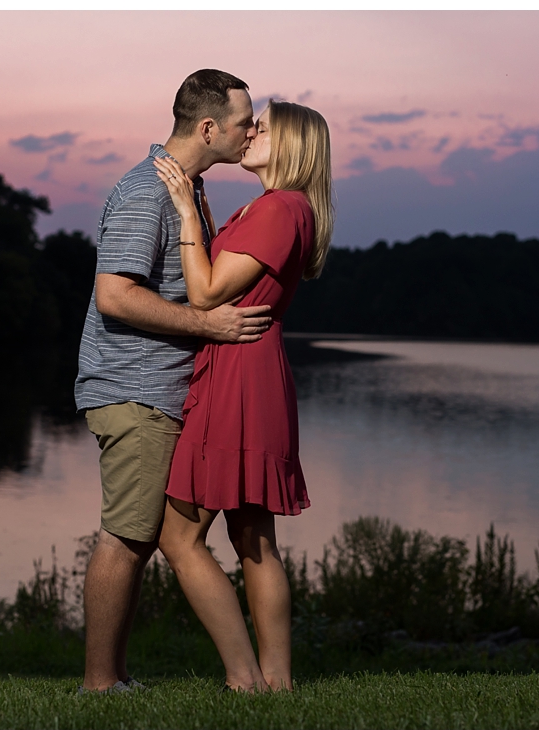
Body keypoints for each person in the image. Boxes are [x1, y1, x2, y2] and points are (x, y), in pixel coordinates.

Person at [74, 69, 274, 694]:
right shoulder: (146, 191)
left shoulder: (186, 188)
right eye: (244, 121)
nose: (252, 131)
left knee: (144, 534)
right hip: (133, 389)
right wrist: (205, 324)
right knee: (126, 535)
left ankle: (114, 680)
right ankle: (101, 686)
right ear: (209, 126)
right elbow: (113, 296)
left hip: (162, 389)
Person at [152, 99, 333, 693]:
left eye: (264, 127)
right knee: (253, 538)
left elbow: (203, 295)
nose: (251, 131)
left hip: (239, 377)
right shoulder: (280, 206)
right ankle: (276, 685)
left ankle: (245, 679)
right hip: (251, 370)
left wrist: (183, 209)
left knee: (178, 537)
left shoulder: (280, 209)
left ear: (295, 146)